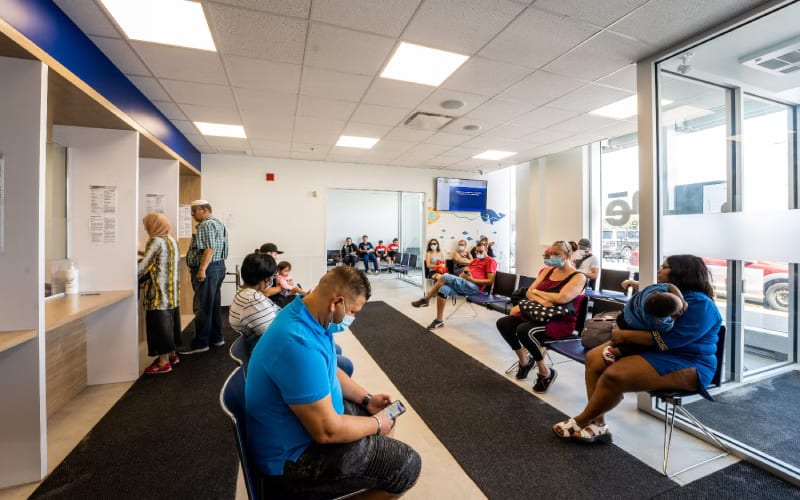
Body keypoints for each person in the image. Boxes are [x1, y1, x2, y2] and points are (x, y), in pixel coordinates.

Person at [246, 266, 421, 497]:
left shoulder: (309, 315)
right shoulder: (296, 341)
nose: (353, 318)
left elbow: (331, 369)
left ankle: (374, 464)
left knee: (384, 416)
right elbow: (327, 431)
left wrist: (367, 399)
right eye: (354, 312)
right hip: (293, 461)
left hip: (305, 430)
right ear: (336, 302)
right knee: (407, 465)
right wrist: (377, 424)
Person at [552, 254, 722, 443]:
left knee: (614, 376)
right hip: (653, 349)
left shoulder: (701, 305)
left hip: (688, 362)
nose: (659, 270)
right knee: (594, 358)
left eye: (664, 267)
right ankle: (598, 424)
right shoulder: (668, 293)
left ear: (681, 272)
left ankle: (581, 420)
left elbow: (667, 340)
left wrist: (624, 335)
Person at [495, 241, 586, 392]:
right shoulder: (548, 270)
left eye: (557, 254)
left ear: (568, 255)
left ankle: (545, 372)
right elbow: (530, 291)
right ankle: (524, 361)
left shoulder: (578, 277)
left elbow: (562, 299)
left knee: (524, 330)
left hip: (559, 320)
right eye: (551, 254)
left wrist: (539, 295)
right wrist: (545, 298)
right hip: (538, 313)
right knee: (503, 323)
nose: (553, 257)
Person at [412, 242, 496, 330]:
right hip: (464, 283)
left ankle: (426, 299)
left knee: (444, 276)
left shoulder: (491, 261)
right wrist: (463, 275)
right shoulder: (475, 260)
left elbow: (490, 281)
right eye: (477, 252)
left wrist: (473, 280)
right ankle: (439, 320)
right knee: (443, 289)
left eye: (481, 251)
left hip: (474, 287)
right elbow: (466, 270)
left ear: (486, 250)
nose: (479, 253)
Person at [183, 200, 229, 354]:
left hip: (208, 269)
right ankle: (216, 338)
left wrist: (202, 269)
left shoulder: (205, 225)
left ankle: (201, 343)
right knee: (213, 305)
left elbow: (209, 248)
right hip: (218, 267)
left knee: (202, 307)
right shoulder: (217, 223)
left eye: (194, 211)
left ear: (204, 210)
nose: (192, 215)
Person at [138, 213, 181, 374]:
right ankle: (172, 355)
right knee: (170, 325)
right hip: (172, 293)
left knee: (159, 327)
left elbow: (144, 267)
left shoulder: (155, 241)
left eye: (146, 225)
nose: (145, 228)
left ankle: (163, 363)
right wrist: (143, 252)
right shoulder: (172, 241)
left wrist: (129, 274)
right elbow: (161, 258)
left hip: (158, 293)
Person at [603, 282, 687, 365]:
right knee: (649, 344)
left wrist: (680, 299)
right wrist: (674, 317)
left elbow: (669, 285)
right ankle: (615, 352)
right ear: (662, 317)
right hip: (632, 327)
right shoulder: (657, 321)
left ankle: (612, 343)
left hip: (623, 317)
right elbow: (668, 327)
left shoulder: (651, 290)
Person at [229, 252, 281, 353]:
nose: (272, 280)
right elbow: (274, 336)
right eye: (273, 276)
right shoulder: (252, 301)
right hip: (266, 351)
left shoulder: (244, 293)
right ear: (266, 279)